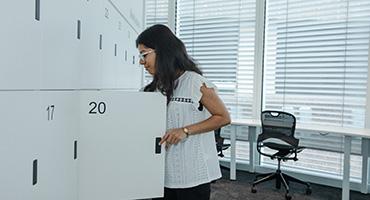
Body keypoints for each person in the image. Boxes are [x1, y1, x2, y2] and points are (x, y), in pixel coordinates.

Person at [136, 24, 231, 200]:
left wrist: (185, 131)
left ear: (162, 51)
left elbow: (223, 117)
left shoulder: (194, 82)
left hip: (193, 174)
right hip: (161, 173)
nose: (141, 62)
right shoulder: (150, 90)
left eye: (144, 55)